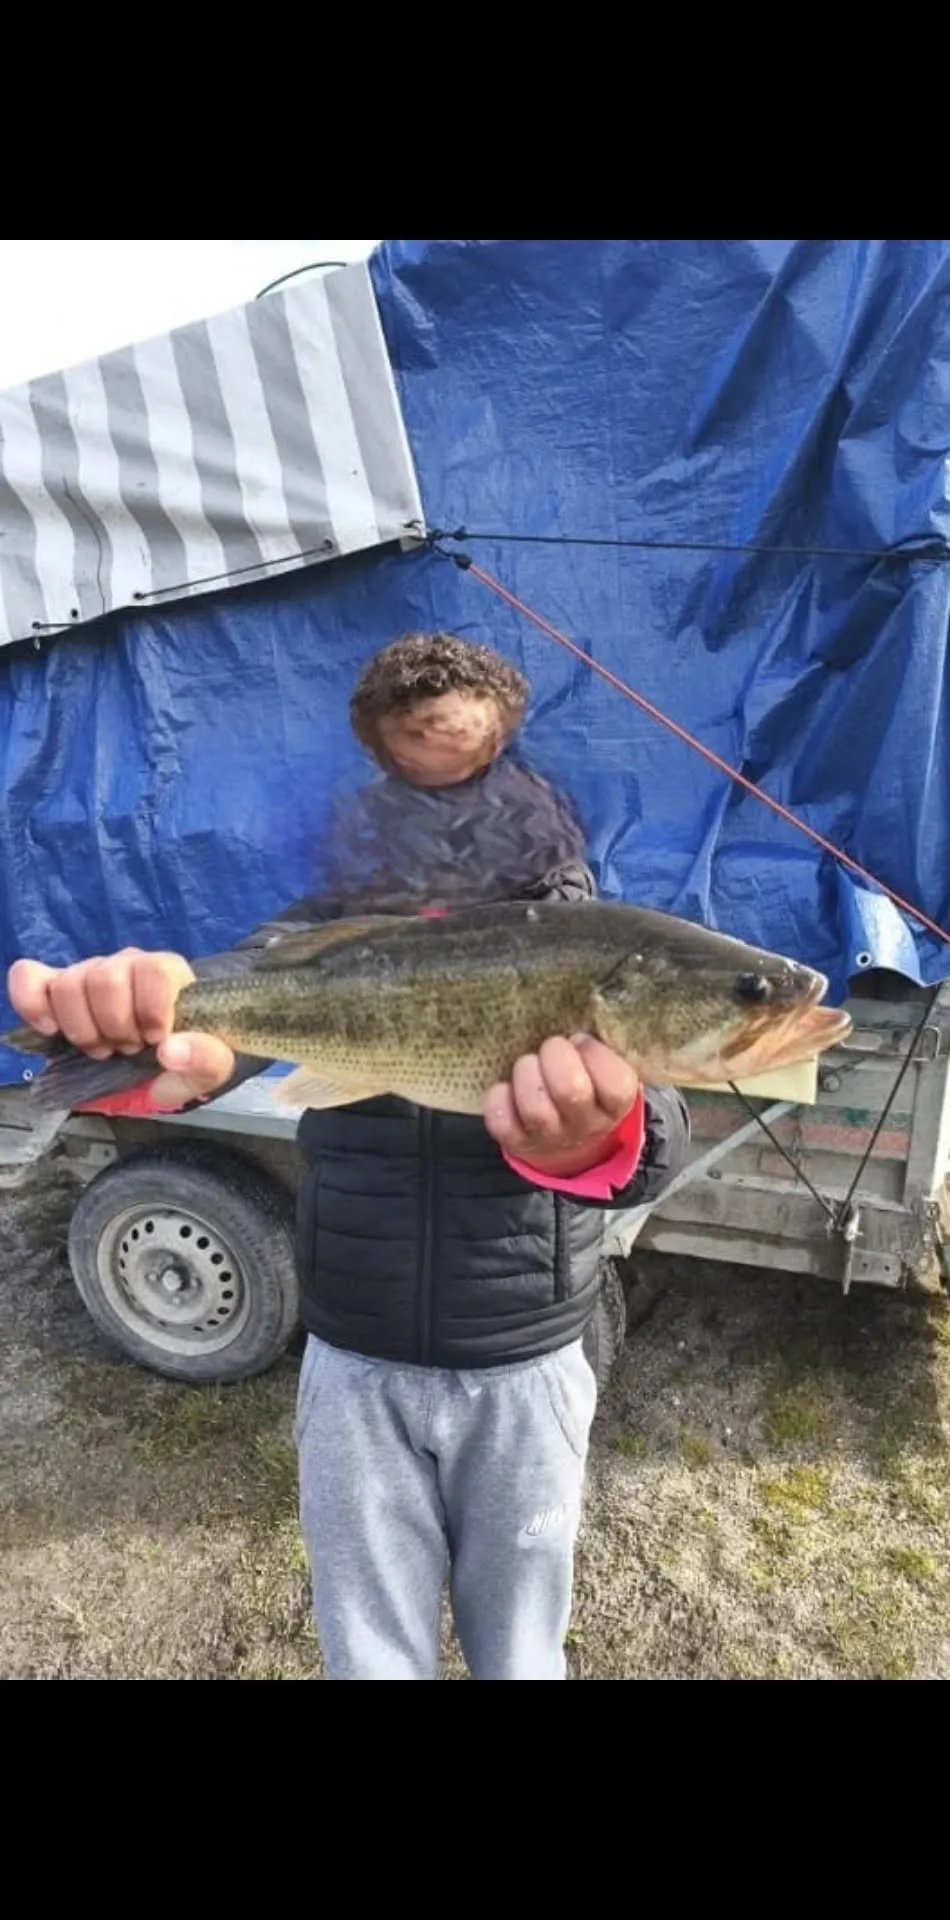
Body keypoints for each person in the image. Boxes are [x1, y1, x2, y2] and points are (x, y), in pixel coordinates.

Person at [8, 631, 690, 1681]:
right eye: (413, 759)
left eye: (469, 761)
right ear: (378, 764)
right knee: (367, 1648)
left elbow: (662, 1133)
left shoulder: (590, 936)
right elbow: (228, 1013)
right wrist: (162, 1028)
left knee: (522, 1646)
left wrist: (609, 1132)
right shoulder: (324, 925)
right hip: (351, 1352)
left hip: (526, 1356)